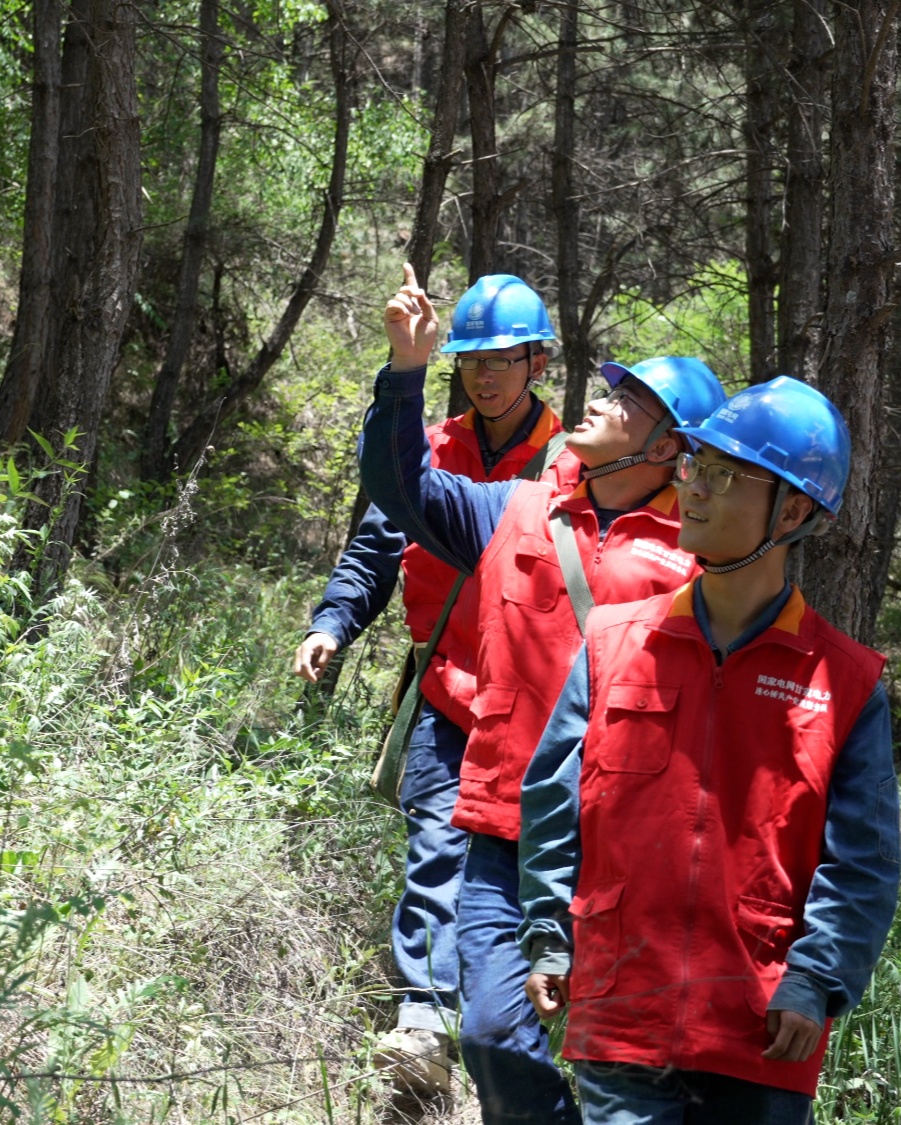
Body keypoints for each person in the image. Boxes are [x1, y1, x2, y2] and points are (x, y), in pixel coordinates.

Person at [360, 266, 728, 1125]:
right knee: (489, 1032)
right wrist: (405, 371)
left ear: (668, 447)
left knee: (618, 1065)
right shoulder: (517, 510)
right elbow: (398, 488)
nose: (603, 398)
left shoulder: (697, 562)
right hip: (501, 828)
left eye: (630, 398)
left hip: (621, 847)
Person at [516, 377, 901, 1125]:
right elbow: (552, 807)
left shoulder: (846, 682)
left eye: (725, 476)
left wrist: (814, 978)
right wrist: (547, 938)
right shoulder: (610, 641)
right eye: (695, 465)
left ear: (791, 511)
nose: (692, 489)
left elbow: (860, 859)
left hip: (761, 1029)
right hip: (619, 1013)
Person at [294, 270, 568, 1099]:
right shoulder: (432, 444)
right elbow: (378, 545)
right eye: (470, 359)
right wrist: (333, 620)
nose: (483, 375)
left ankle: (514, 1033)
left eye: (501, 358)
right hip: (447, 693)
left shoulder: (569, 463)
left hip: (543, 710)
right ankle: (421, 1025)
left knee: (528, 872)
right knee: (436, 847)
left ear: (537, 361)